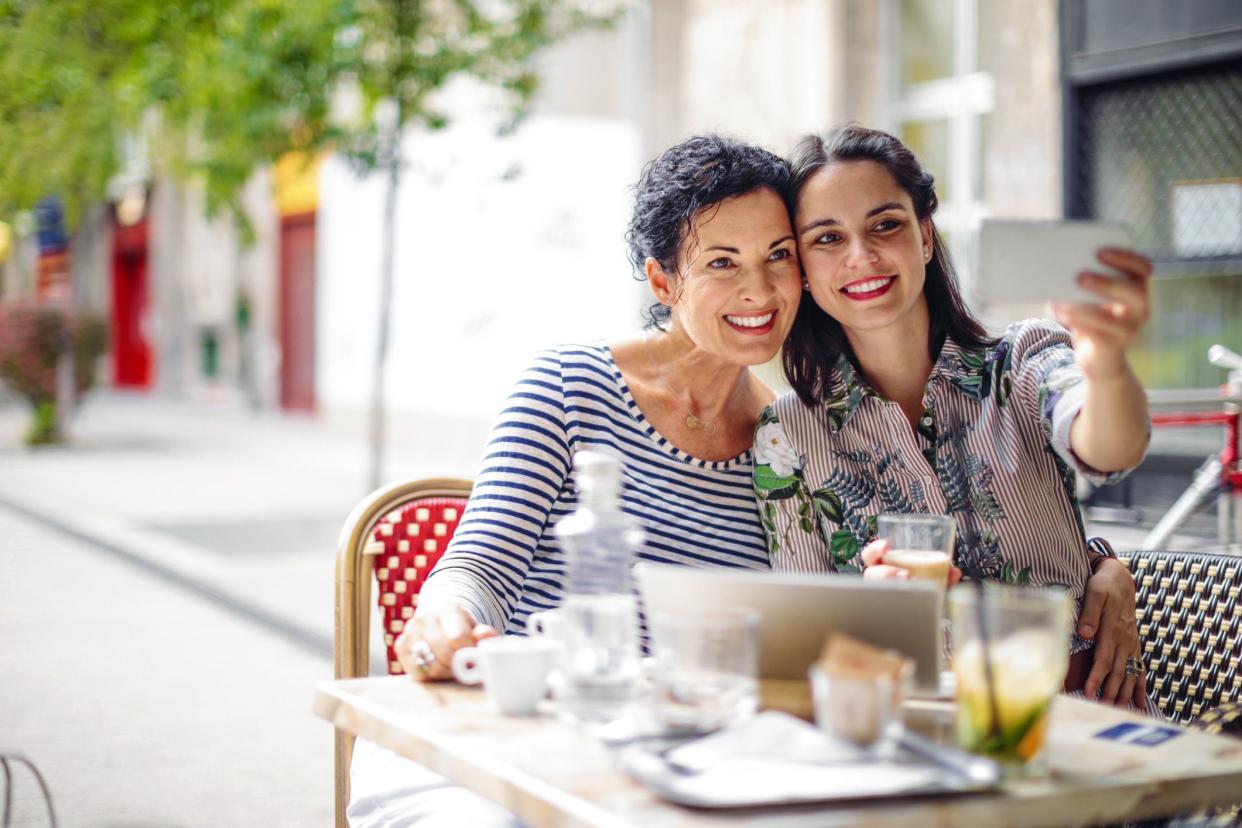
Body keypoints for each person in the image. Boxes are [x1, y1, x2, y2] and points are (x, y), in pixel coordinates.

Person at [348, 134, 804, 827]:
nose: (760, 288)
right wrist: (446, 619)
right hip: (506, 746)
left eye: (779, 256)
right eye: (722, 262)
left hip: (670, 767)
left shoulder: (787, 439)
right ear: (663, 282)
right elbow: (478, 568)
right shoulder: (570, 385)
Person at [753, 124, 1151, 711]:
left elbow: (1111, 447)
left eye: (885, 224)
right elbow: (805, 644)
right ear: (804, 272)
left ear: (926, 237)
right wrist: (872, 612)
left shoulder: (1022, 360)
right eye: (827, 238)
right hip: (916, 735)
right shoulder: (785, 435)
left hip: (1080, 727)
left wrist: (1107, 363)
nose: (861, 256)